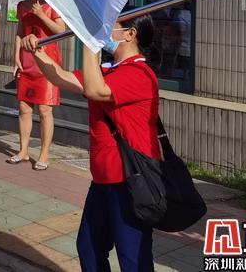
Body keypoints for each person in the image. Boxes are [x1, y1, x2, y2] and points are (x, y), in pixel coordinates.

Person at [23, 15, 161, 272]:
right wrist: (37, 51)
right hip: (102, 179)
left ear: (130, 34)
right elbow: (61, 77)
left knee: (133, 259)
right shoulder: (109, 70)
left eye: (111, 27)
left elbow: (95, 90)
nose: (105, 32)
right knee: (89, 248)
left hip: (130, 181)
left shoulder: (140, 73)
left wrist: (89, 43)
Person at [9, 0, 66, 170]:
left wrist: (41, 14)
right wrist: (16, 57)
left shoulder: (52, 6)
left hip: (47, 62)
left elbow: (61, 30)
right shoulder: (22, 6)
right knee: (24, 108)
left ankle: (44, 154)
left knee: (44, 110)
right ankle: (23, 151)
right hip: (27, 61)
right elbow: (20, 32)